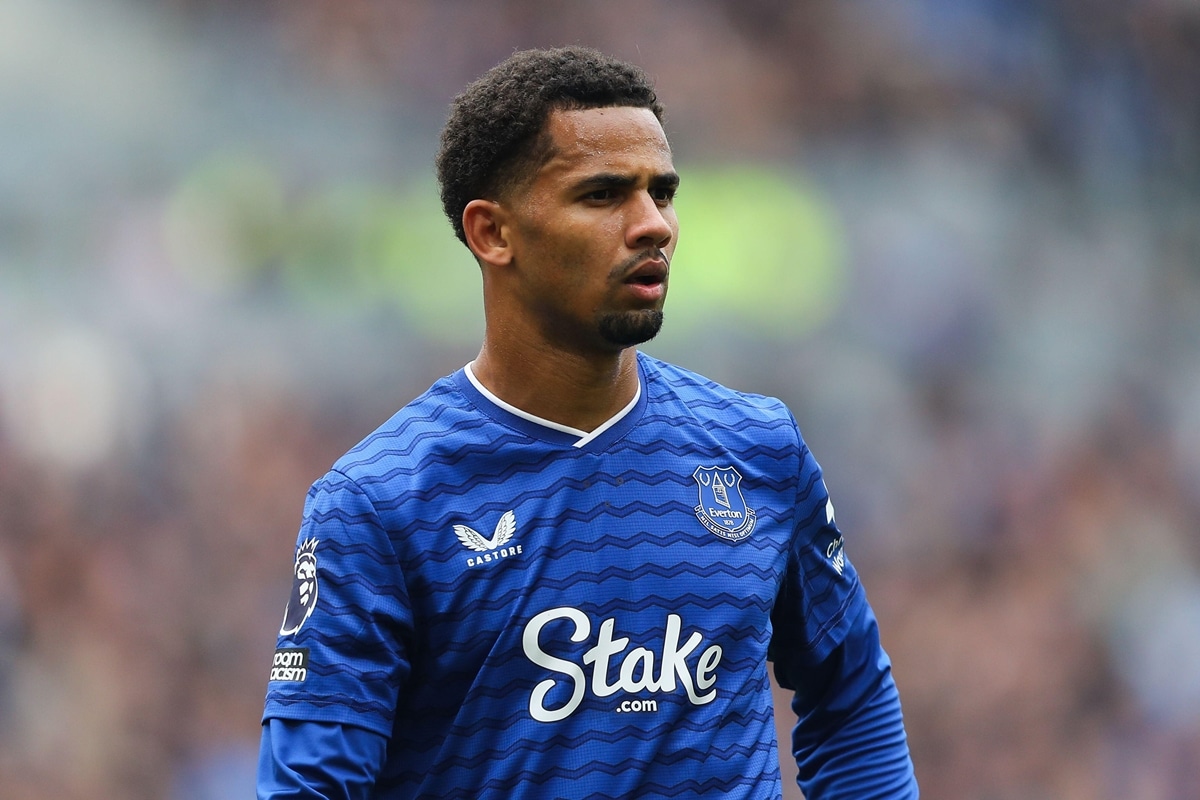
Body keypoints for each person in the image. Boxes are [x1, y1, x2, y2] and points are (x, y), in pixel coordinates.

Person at [257, 45, 918, 799]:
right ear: (492, 233)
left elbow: (852, 695)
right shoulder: (381, 501)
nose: (653, 225)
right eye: (603, 195)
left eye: (662, 192)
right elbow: (311, 787)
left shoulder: (757, 450)